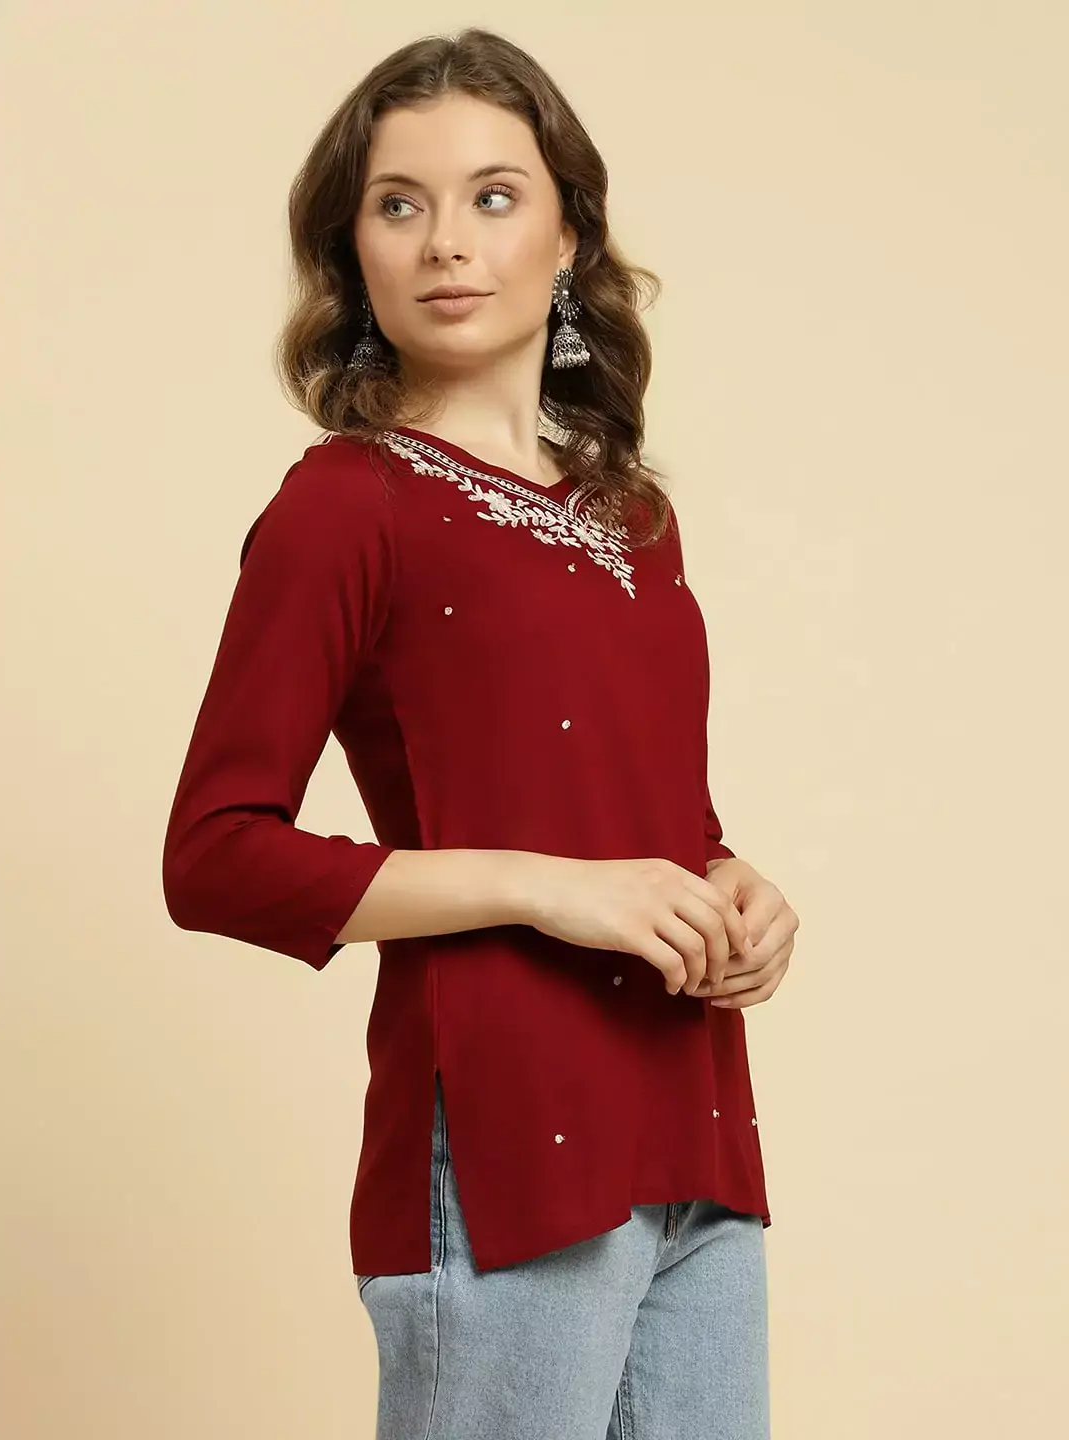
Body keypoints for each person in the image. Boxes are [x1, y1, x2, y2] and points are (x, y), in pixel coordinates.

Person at [162, 26, 798, 1440]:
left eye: (493, 196)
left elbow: (648, 811)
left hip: (695, 1122)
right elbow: (213, 857)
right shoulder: (345, 506)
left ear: (569, 235)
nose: (446, 240)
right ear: (355, 252)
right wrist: (538, 889)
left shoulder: (633, 515)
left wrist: (732, 886)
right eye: (399, 204)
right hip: (506, 1139)